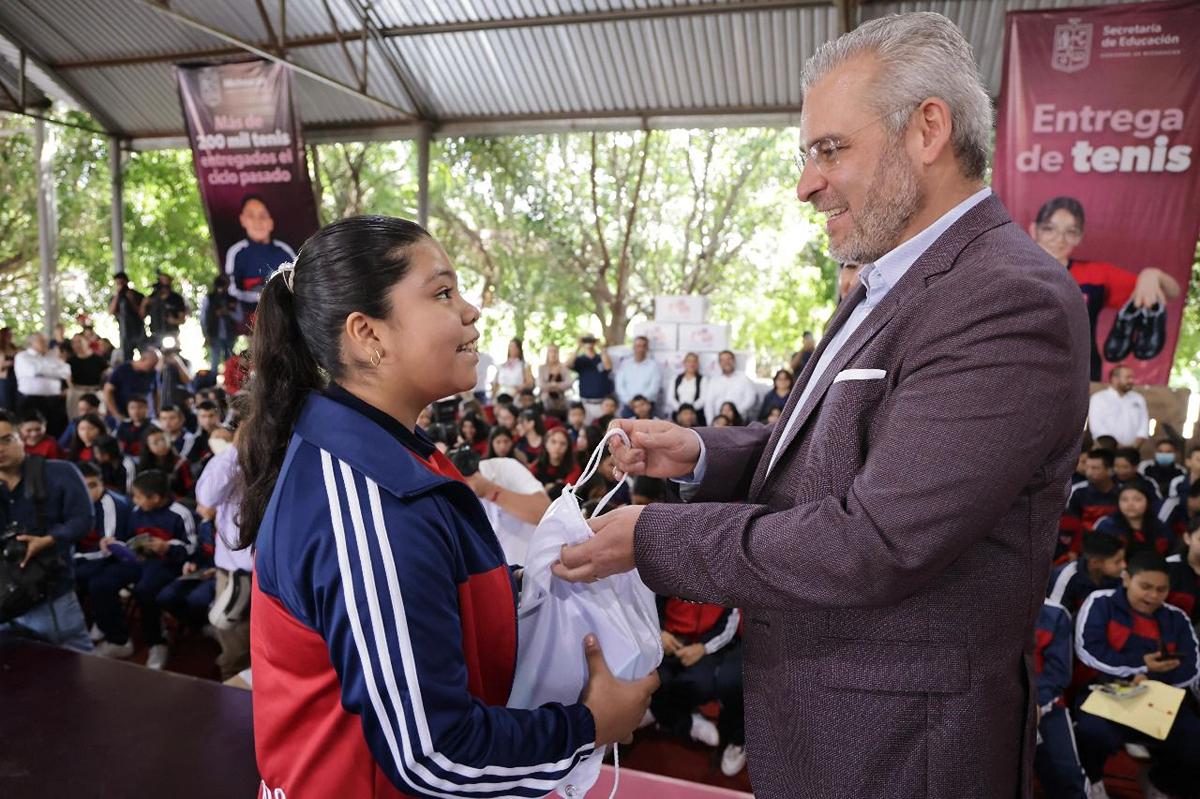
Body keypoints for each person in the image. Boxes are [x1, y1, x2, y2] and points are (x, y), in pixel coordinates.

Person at [554, 13, 1091, 798]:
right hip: (827, 720)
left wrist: (655, 537)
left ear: (927, 130)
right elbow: (843, 447)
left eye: (829, 149)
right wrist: (704, 452)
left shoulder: (1006, 298)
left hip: (901, 749)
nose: (806, 184)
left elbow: (875, 537)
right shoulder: (890, 278)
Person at [236, 215, 655, 798]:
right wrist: (587, 728)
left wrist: (540, 578)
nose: (470, 312)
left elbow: (430, 597)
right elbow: (431, 754)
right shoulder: (370, 501)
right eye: (442, 292)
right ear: (369, 334)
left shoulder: (397, 456)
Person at [1074, 552, 1199, 798]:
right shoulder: (1101, 602)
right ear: (1126, 578)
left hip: (1161, 697)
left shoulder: (1176, 618)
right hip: (1105, 693)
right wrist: (1139, 667)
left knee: (1195, 742)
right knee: (1092, 733)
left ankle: (1160, 782)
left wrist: (1151, 678)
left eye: (1161, 590)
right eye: (1145, 587)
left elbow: (1192, 668)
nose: (1153, 596)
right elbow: (1088, 651)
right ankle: (1093, 781)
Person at [1029, 196, 1181, 382]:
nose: (1059, 239)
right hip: (1024, 372)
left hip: (1080, 377)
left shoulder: (1096, 275)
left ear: (1080, 237)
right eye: (1049, 229)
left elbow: (1172, 291)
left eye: (1071, 232)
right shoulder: (1012, 272)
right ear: (1034, 230)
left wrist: (1152, 275)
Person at [0, 410, 94, 652]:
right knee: (17, 674)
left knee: (76, 667)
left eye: (6, 440)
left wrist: (49, 539)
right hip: (4, 596)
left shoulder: (59, 472)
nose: (0, 449)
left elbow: (83, 520)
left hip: (52, 594)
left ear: (22, 438)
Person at [90, 469, 197, 668]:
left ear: (155, 498)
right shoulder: (137, 512)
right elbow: (128, 538)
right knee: (100, 583)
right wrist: (114, 543)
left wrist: (167, 547)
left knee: (145, 591)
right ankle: (118, 639)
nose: (135, 500)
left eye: (138, 497)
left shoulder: (180, 514)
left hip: (167, 564)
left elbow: (192, 548)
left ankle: (157, 642)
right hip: (137, 560)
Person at [194, 426, 253, 680]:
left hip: (268, 568)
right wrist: (235, 449)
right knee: (233, 640)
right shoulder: (231, 458)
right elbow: (207, 498)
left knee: (258, 645)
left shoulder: (283, 455)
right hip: (234, 567)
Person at [647, 596, 741, 751]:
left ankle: (665, 714)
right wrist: (659, 632)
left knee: (703, 684)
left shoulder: (727, 582)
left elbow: (730, 623)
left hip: (704, 646)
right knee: (654, 679)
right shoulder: (668, 574)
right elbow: (651, 604)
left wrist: (703, 648)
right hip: (666, 639)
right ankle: (685, 722)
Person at [1031, 600, 1087, 799]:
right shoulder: (977, 607)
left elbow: (1058, 675)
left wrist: (1033, 704)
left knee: (1066, 774)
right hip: (993, 707)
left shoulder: (1054, 614)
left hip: (1046, 704)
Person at [225, 195, 297, 317]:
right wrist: (263, 297)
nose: (257, 221)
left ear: (271, 222)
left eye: (263, 216)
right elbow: (232, 292)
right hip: (254, 324)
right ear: (242, 220)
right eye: (251, 216)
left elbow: (300, 281)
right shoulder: (236, 253)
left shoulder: (285, 251)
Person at [1046, 530, 1126, 617]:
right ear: (1095, 563)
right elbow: (1054, 616)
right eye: (1117, 561)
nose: (1124, 565)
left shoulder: (1122, 576)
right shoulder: (1066, 577)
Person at [1061, 449, 1120, 558]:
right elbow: (1074, 524)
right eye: (1087, 467)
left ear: (1110, 470)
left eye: (1095, 468)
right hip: (1086, 549)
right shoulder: (1078, 492)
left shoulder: (1123, 493)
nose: (1089, 472)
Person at [13, 332, 71, 438]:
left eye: (46, 341)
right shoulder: (22, 356)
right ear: (32, 342)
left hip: (54, 400)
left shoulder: (53, 356)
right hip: (31, 401)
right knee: (31, 431)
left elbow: (66, 372)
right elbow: (35, 371)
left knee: (55, 430)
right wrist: (54, 370)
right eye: (42, 341)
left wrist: (47, 370)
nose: (46, 343)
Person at [1093, 483, 1171, 557]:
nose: (1130, 504)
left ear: (1148, 502)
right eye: (1124, 500)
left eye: (1137, 499)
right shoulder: (1107, 525)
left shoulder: (1159, 526)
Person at [1087, 366, 1147, 448]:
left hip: (1132, 451)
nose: (1131, 381)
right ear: (1114, 379)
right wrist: (1115, 446)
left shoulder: (1138, 399)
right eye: (1128, 377)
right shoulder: (1098, 398)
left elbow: (1143, 426)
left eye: (1132, 377)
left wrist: (1134, 446)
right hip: (1106, 450)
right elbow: (1097, 427)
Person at [137, 427, 195, 501]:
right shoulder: (142, 466)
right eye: (156, 442)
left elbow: (190, 488)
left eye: (163, 440)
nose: (162, 444)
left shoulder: (180, 463)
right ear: (147, 446)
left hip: (178, 501)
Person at [702, 351, 759, 425]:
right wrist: (710, 423)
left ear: (734, 361)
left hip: (739, 422)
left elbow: (750, 399)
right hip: (718, 424)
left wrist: (735, 412)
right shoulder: (713, 381)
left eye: (729, 359)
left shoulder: (744, 378)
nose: (726, 362)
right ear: (719, 363)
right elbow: (708, 403)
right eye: (723, 360)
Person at [201, 274, 241, 374]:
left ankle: (229, 383)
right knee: (215, 361)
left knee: (230, 361)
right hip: (214, 334)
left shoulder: (232, 299)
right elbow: (203, 318)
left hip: (229, 335)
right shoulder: (209, 299)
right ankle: (213, 383)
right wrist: (206, 334)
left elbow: (239, 317)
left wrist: (228, 313)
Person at [104, 348, 159, 420]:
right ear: (143, 359)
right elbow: (108, 390)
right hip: (122, 413)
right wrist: (116, 414)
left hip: (143, 416)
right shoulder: (123, 369)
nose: (153, 367)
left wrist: (156, 412)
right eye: (152, 365)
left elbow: (156, 393)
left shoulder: (152, 373)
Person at [614, 336, 661, 417]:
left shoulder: (653, 366)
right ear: (633, 347)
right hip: (629, 406)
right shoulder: (625, 364)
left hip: (647, 407)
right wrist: (629, 401)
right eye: (638, 346)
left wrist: (641, 403)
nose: (641, 349)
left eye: (643, 346)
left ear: (647, 348)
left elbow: (655, 386)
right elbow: (620, 386)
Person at [571, 335, 613, 424]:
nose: (589, 343)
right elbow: (568, 364)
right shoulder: (580, 359)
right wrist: (578, 346)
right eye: (587, 341)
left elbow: (608, 366)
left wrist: (601, 347)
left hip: (602, 403)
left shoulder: (601, 358)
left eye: (591, 341)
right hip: (585, 403)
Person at [529, 427, 581, 498]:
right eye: (553, 442)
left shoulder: (574, 468)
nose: (557, 447)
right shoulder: (536, 466)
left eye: (563, 444)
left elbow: (566, 492)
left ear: (567, 448)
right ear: (546, 444)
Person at [66, 333, 109, 415]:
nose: (77, 345)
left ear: (87, 342)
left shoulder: (98, 359)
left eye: (79, 341)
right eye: (74, 342)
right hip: (76, 393)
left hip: (95, 392)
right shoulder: (70, 361)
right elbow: (68, 378)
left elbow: (107, 375)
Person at [107, 272, 146, 362]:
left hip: (139, 331)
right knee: (127, 358)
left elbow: (142, 314)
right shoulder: (115, 298)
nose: (120, 285)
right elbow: (110, 312)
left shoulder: (136, 295)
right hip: (124, 332)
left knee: (145, 354)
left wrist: (131, 299)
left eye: (122, 283)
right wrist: (117, 295)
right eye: (118, 283)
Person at [141, 273, 188, 347]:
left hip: (172, 334)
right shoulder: (151, 298)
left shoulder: (176, 299)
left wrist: (173, 321)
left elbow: (182, 319)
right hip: (155, 335)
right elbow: (142, 315)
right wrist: (144, 304)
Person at [667, 353, 706, 423]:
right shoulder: (675, 379)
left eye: (694, 361)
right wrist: (681, 410)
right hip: (678, 414)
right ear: (684, 363)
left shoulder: (703, 379)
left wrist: (689, 411)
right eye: (689, 361)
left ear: (698, 364)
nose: (692, 364)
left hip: (695, 415)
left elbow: (703, 399)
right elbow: (670, 398)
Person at [537, 344, 572, 415]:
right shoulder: (542, 368)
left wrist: (555, 385)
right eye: (551, 351)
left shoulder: (564, 368)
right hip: (546, 403)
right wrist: (557, 386)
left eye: (555, 351)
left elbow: (569, 383)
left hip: (562, 403)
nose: (553, 354)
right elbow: (540, 384)